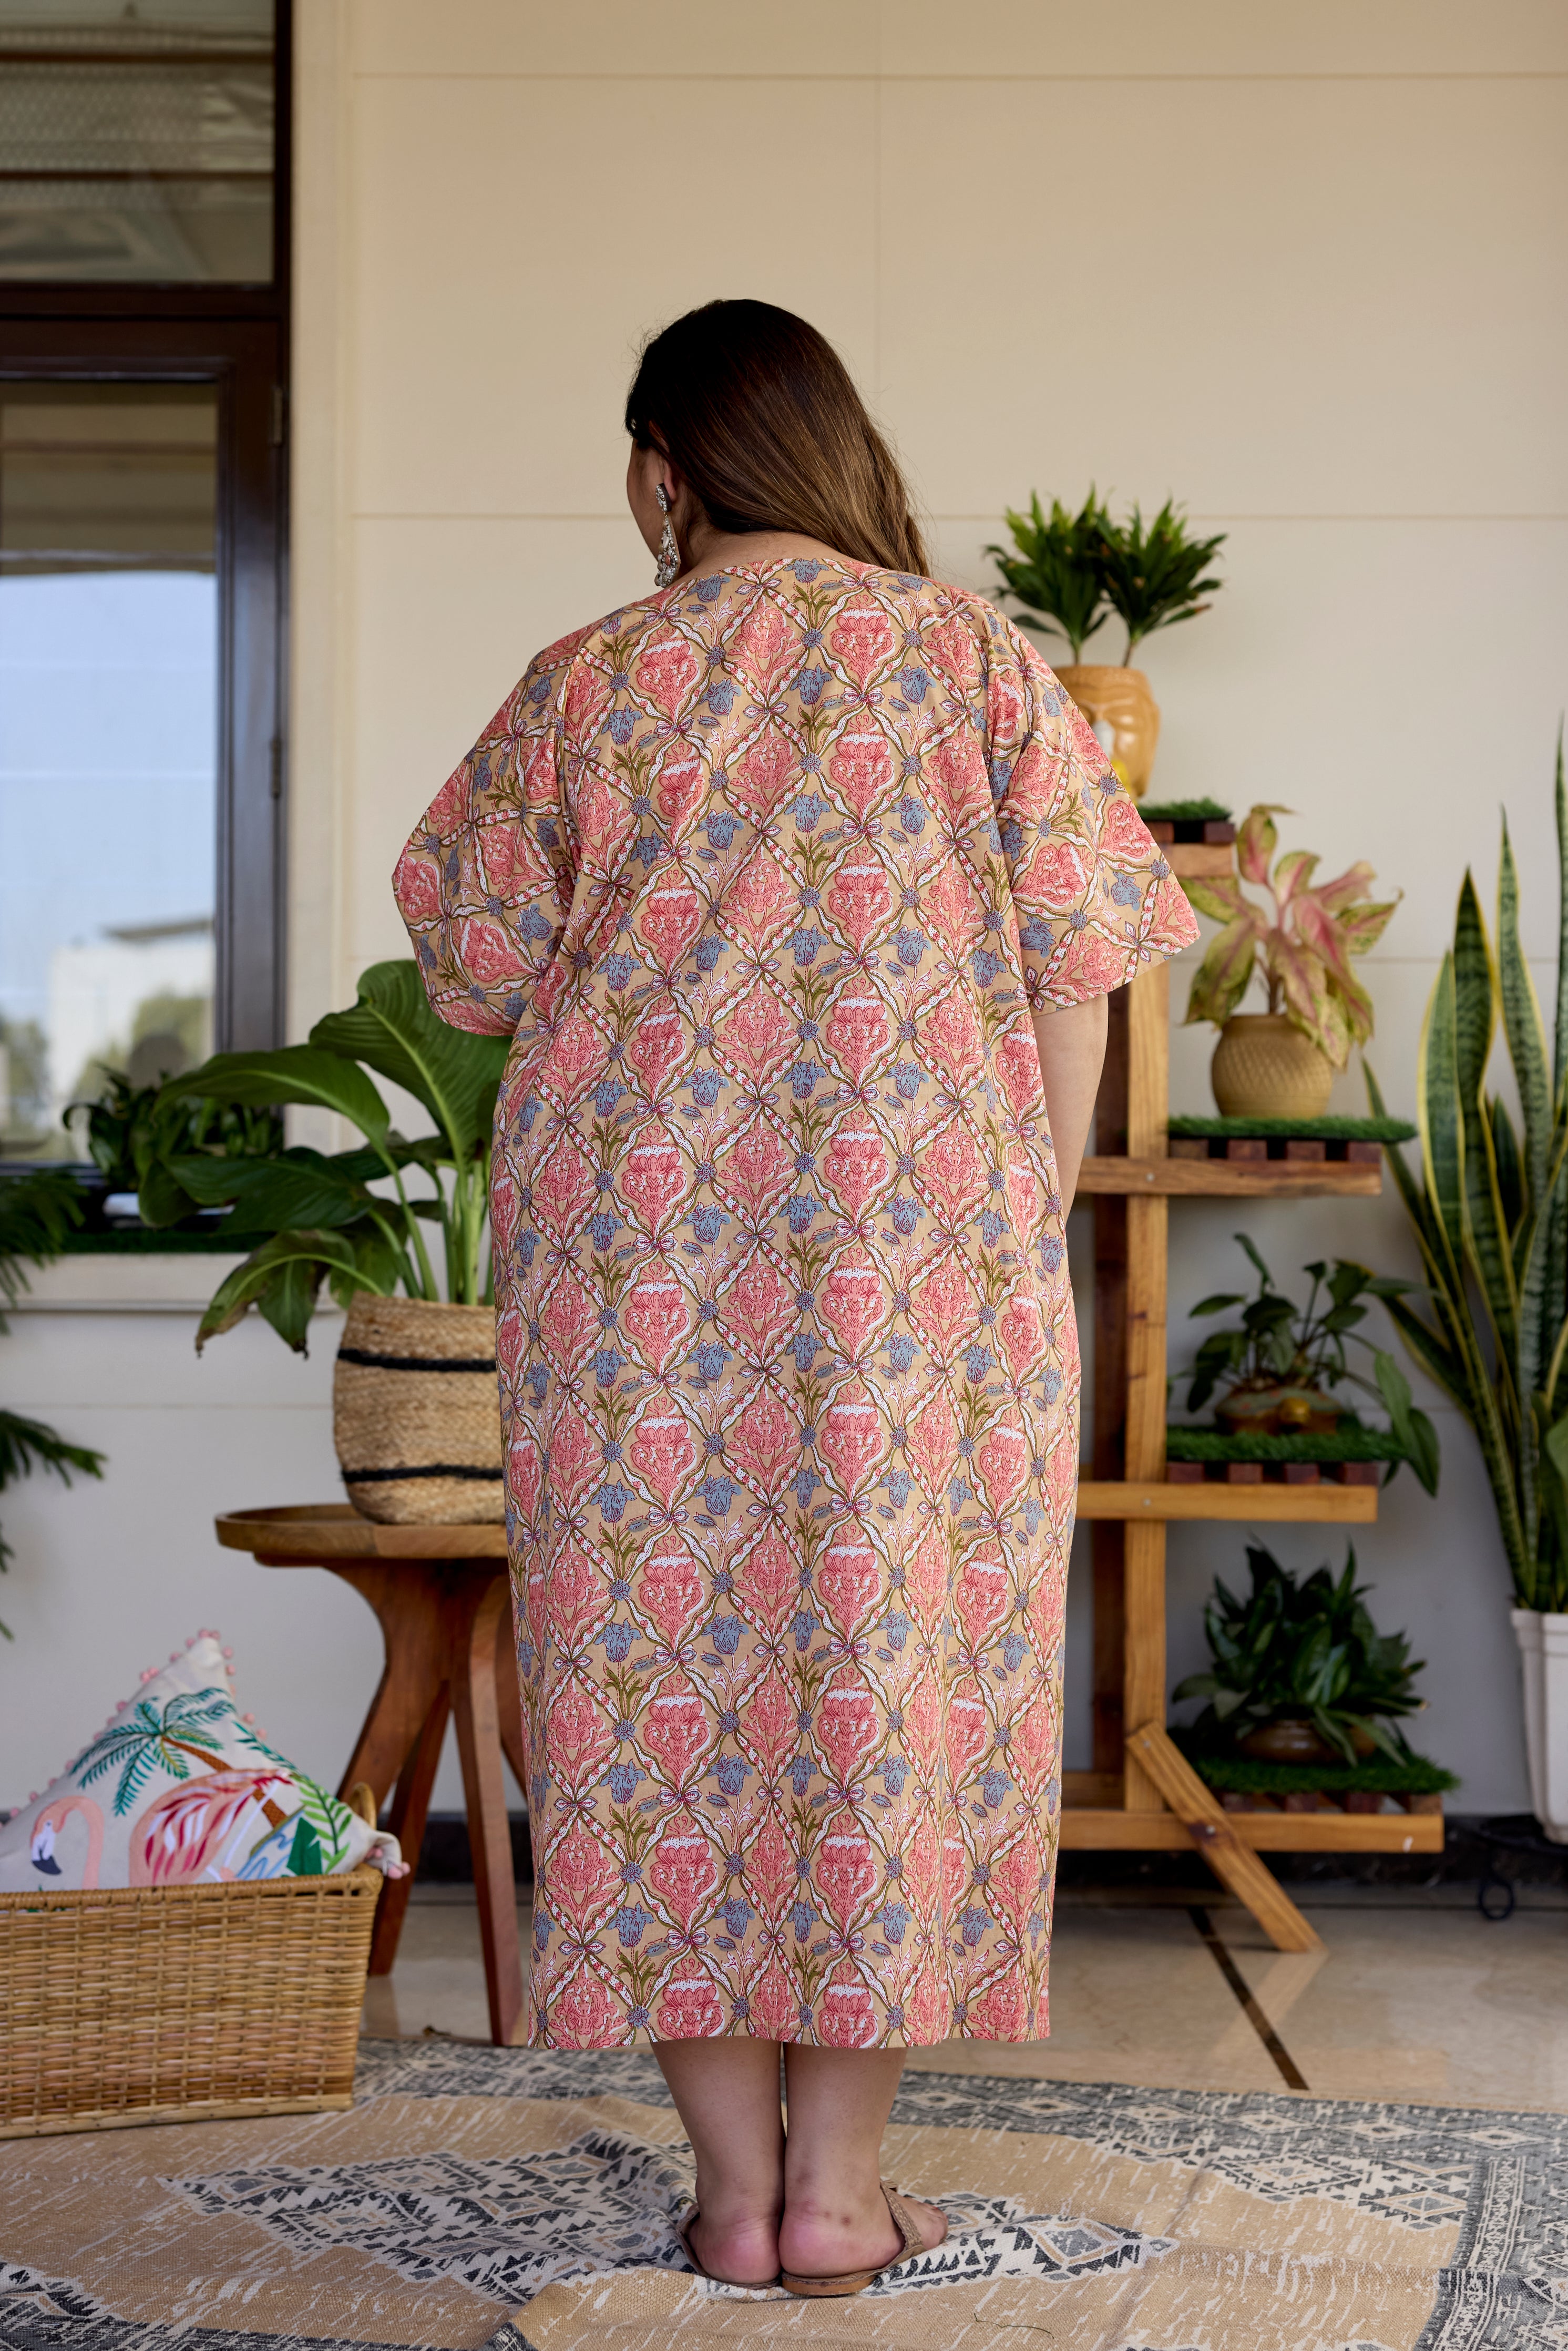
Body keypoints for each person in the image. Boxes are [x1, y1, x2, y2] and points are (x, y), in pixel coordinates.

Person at [394, 299, 1197, 2295]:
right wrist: (1030, 1192)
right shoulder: (986, 667)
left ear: (668, 465)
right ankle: (840, 2194)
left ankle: (732, 2197)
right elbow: (1090, 963)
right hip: (920, 1278)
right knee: (891, 1697)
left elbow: (471, 975)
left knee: (656, 1692)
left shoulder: (586, 683)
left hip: (633, 1287)